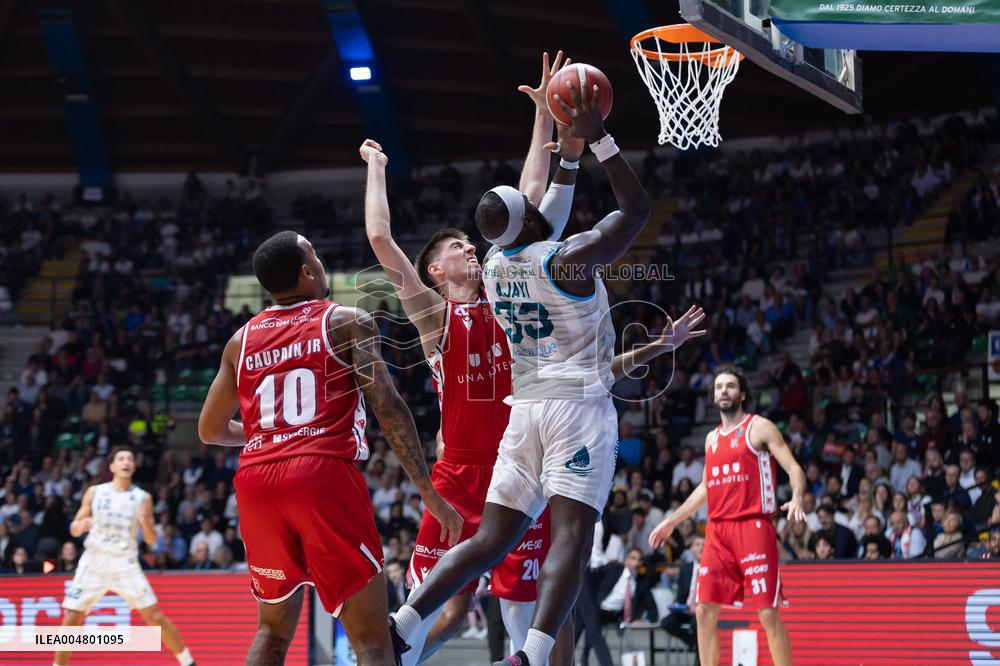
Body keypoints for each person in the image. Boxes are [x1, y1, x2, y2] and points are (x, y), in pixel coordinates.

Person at [390, 78, 686, 666]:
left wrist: (564, 154)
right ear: (529, 220)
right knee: (571, 536)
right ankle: (532, 653)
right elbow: (636, 211)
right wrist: (598, 140)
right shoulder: (568, 259)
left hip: (524, 412)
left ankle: (404, 619)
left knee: (489, 539)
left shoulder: (495, 265)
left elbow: (537, 206)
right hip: (577, 408)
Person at [360, 51, 579, 665]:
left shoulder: (506, 290)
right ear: (436, 269)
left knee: (529, 614)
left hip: (519, 463)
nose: (470, 247)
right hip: (457, 478)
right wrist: (376, 167)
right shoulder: (434, 317)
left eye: (470, 242)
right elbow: (380, 239)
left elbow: (525, 200)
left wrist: (541, 117)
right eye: (459, 245)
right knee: (433, 611)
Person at [197, 231, 462, 665]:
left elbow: (209, 430)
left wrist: (273, 433)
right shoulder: (346, 321)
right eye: (316, 255)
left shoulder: (239, 340)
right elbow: (388, 406)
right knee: (372, 641)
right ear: (307, 271)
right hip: (321, 475)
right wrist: (427, 492)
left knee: (271, 632)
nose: (320, 263)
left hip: (257, 482)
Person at [649, 366, 807, 666]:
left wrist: (797, 496)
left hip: (753, 526)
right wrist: (672, 521)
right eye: (719, 386)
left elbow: (794, 468)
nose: (724, 390)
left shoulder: (759, 427)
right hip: (718, 532)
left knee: (767, 613)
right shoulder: (711, 439)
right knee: (704, 610)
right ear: (713, 397)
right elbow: (705, 488)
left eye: (731, 386)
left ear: (742, 394)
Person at [56, 446, 195, 666]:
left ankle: (187, 661)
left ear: (134, 466)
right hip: (94, 561)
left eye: (130, 459)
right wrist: (79, 526)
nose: (126, 462)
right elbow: (74, 528)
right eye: (121, 459)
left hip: (125, 563)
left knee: (153, 616)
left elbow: (151, 540)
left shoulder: (142, 497)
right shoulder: (95, 492)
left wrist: (145, 523)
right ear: (112, 466)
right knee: (72, 616)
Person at [661, 535, 703, 653]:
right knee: (667, 623)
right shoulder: (685, 569)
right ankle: (692, 642)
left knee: (697, 624)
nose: (701, 548)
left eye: (704, 545)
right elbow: (681, 595)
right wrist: (678, 605)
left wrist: (698, 607)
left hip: (701, 611)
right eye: (697, 545)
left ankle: (699, 655)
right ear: (691, 549)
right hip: (685, 610)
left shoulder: (712, 568)